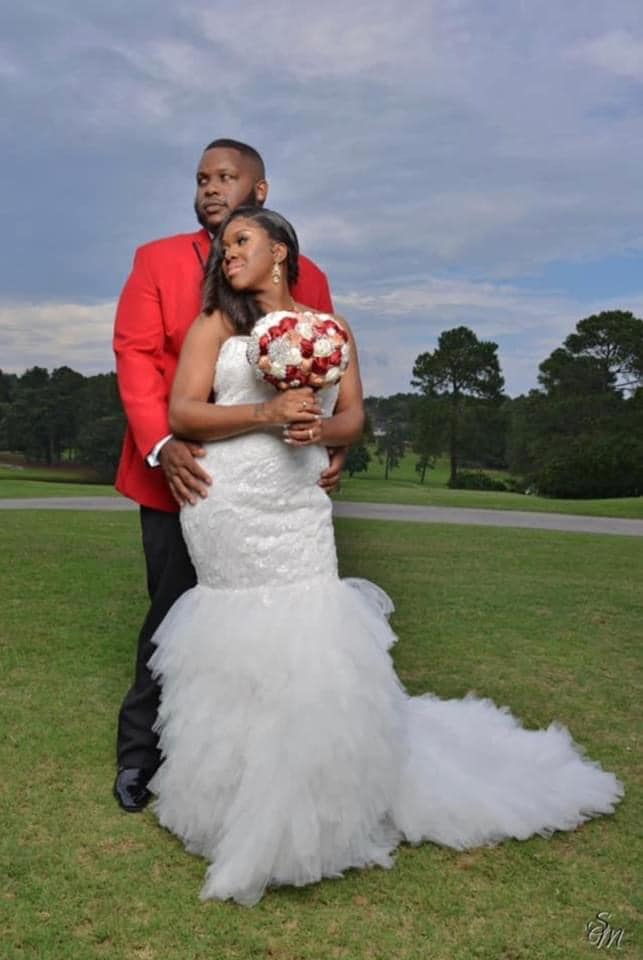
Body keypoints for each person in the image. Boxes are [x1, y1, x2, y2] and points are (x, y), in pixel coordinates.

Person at [147, 205, 623, 906]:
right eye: (222, 248)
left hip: (297, 500)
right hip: (228, 503)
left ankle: (310, 806)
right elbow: (184, 412)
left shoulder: (331, 329)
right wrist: (265, 414)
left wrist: (318, 431)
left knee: (309, 635)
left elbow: (353, 417)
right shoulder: (217, 325)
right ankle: (228, 803)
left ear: (280, 250)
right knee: (236, 639)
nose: (227, 254)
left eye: (241, 241)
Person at [113, 139, 344, 813]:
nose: (210, 188)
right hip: (182, 474)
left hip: (277, 484)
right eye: (201, 179)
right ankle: (143, 755)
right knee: (174, 615)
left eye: (225, 177)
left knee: (278, 625)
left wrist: (334, 444)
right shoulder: (156, 259)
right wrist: (162, 443)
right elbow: (135, 354)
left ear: (259, 191)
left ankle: (267, 761)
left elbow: (328, 372)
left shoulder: (307, 273)